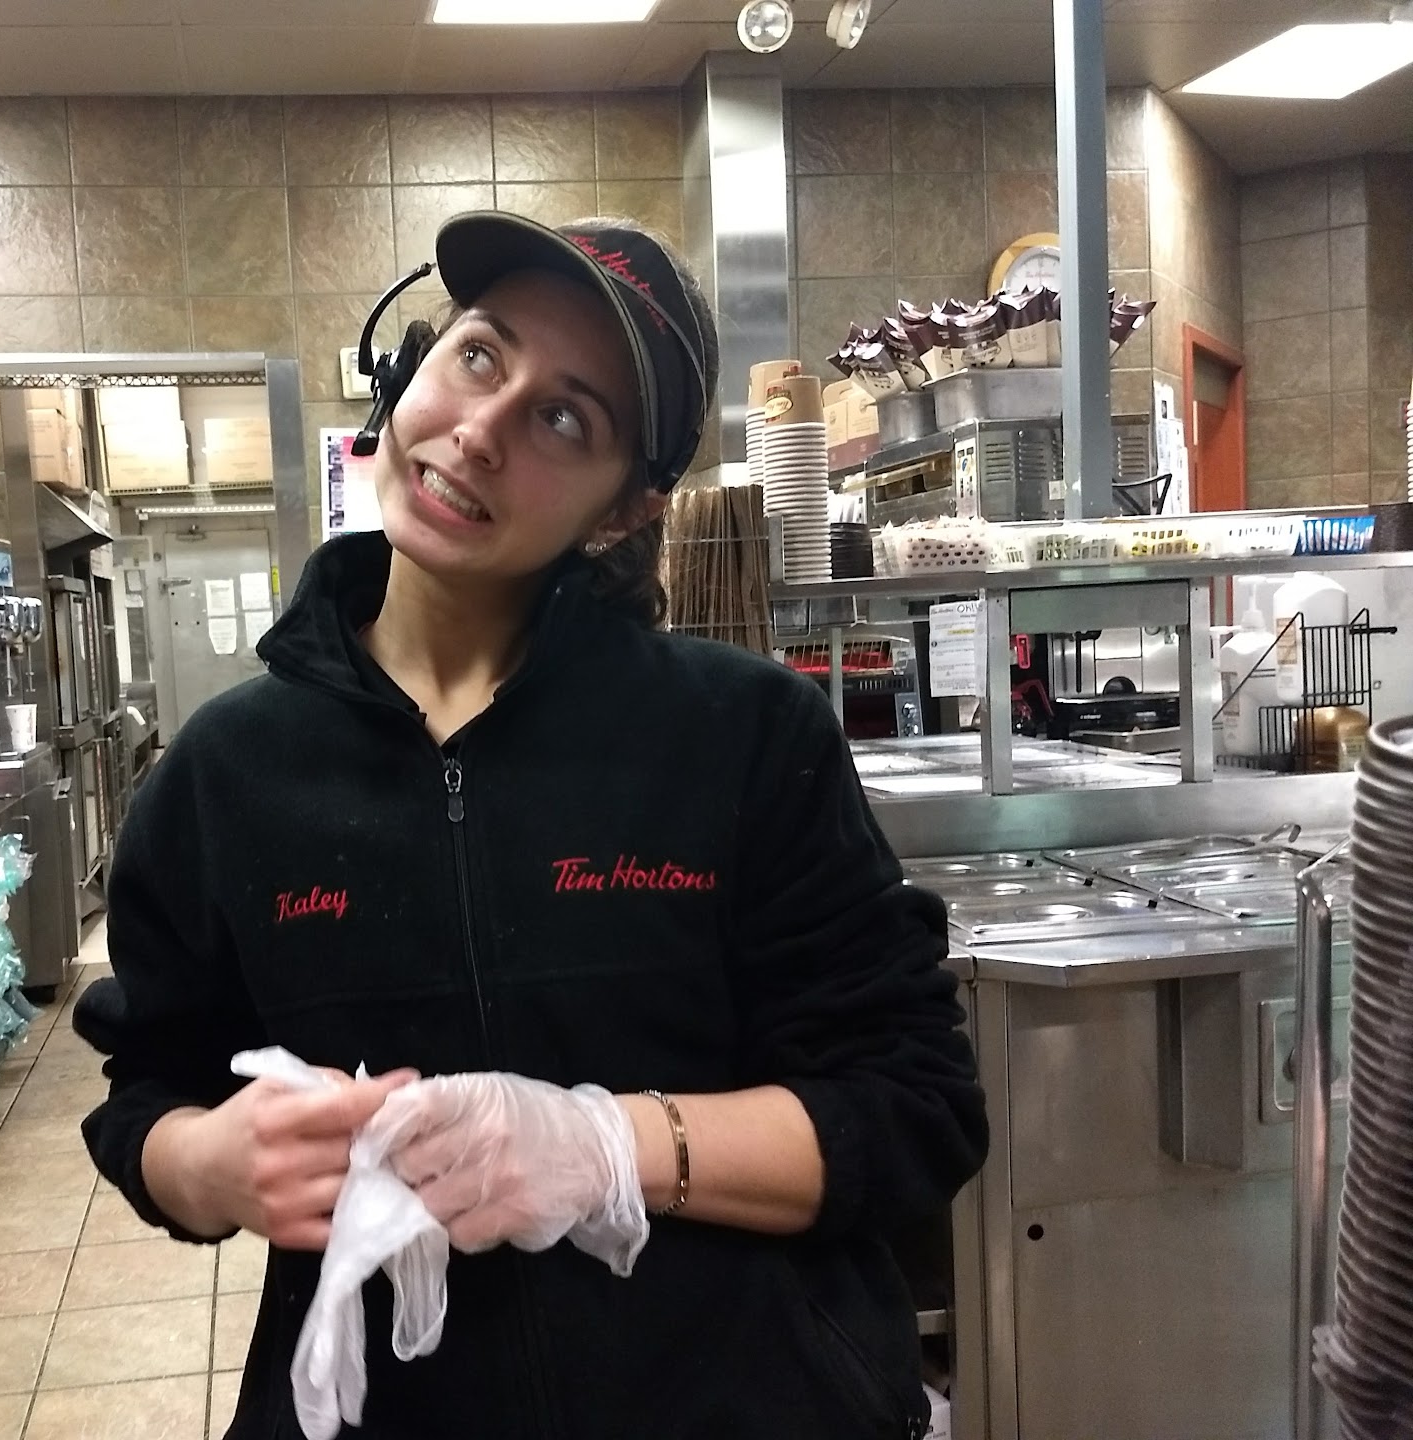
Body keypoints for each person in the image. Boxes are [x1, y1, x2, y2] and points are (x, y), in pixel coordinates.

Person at [74, 211, 988, 1439]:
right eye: (479, 355)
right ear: (412, 369)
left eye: (566, 419)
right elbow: (149, 1087)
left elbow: (915, 1107)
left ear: (624, 510)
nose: (482, 430)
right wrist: (207, 1165)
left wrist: (606, 1146)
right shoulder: (226, 772)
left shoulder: (744, 738)